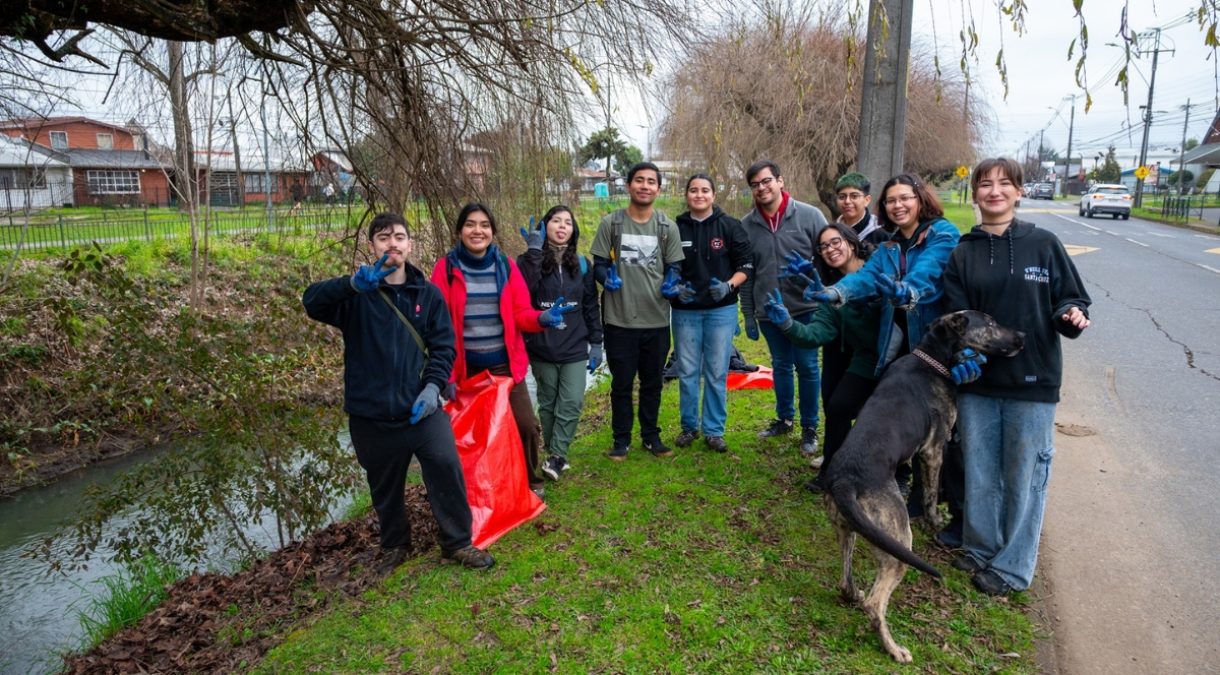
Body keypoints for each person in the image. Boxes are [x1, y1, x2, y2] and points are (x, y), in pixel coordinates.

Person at [302, 212, 494, 574]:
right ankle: (395, 545)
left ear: (410, 244)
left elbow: (443, 348)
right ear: (371, 245)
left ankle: (457, 542)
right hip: (371, 415)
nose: (393, 243)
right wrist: (352, 286)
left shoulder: (428, 294)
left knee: (445, 466)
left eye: (400, 237)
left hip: (420, 410)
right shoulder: (356, 296)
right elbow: (311, 302)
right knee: (384, 486)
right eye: (384, 237)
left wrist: (434, 386)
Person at [943, 157, 1091, 596]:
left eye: (1004, 184)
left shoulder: (1044, 244)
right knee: (981, 469)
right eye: (985, 184)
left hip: (1034, 382)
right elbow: (956, 318)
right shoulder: (963, 253)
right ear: (974, 194)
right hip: (979, 384)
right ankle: (981, 544)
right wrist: (962, 355)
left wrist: (1071, 316)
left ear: (1019, 192)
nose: (994, 191)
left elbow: (1071, 300)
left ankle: (1013, 567)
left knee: (1026, 474)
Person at [805, 173, 963, 537]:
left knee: (943, 429)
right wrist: (835, 293)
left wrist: (907, 291)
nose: (898, 206)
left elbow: (929, 273)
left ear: (920, 199)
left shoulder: (941, 234)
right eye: (891, 201)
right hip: (901, 348)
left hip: (937, 347)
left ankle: (938, 504)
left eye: (905, 198)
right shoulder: (889, 248)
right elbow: (865, 278)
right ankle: (909, 492)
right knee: (907, 420)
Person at [431, 203, 577, 500]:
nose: (477, 231)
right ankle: (478, 490)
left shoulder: (505, 266)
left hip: (505, 366)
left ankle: (531, 481)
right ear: (459, 230)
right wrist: (445, 373)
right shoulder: (445, 269)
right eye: (470, 224)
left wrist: (540, 319)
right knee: (473, 434)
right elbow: (438, 325)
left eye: (484, 225)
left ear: (492, 232)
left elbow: (521, 311)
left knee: (526, 424)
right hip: (465, 370)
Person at [773, 223, 881, 491]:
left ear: (851, 243)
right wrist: (787, 323)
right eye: (824, 247)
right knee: (838, 406)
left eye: (835, 242)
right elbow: (816, 333)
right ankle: (831, 472)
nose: (830, 249)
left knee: (884, 416)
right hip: (867, 357)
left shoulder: (878, 267)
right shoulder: (830, 290)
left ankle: (891, 477)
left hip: (898, 353)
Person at [590, 161, 685, 460]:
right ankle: (621, 439)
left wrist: (674, 280)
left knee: (653, 382)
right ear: (629, 185)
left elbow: (675, 266)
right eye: (639, 180)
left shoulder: (666, 226)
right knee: (621, 383)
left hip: (656, 318)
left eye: (651, 182)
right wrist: (606, 278)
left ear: (658, 188)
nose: (645, 186)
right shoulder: (612, 224)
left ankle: (651, 436)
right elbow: (599, 264)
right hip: (619, 319)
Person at [737, 159, 827, 457]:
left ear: (780, 181)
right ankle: (785, 419)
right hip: (769, 311)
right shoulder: (747, 226)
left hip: (805, 309)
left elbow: (830, 259)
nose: (761, 188)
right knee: (781, 366)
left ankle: (810, 427)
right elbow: (746, 273)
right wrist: (749, 314)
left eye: (766, 181)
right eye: (755, 185)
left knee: (808, 367)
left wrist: (821, 291)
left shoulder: (810, 216)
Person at [516, 205, 603, 481]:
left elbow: (590, 305)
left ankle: (557, 454)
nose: (562, 226)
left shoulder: (583, 263)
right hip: (542, 346)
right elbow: (521, 294)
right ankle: (556, 454)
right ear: (545, 227)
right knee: (549, 402)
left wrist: (597, 343)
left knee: (573, 400)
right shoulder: (528, 261)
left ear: (573, 230)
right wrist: (533, 253)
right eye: (556, 221)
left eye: (568, 222)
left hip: (575, 345)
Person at [668, 174, 753, 453]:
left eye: (705, 190)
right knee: (688, 370)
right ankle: (689, 427)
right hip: (685, 312)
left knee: (717, 371)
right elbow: (665, 265)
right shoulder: (675, 228)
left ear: (713, 195)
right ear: (687, 195)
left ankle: (714, 430)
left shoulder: (730, 226)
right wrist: (675, 287)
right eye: (693, 190)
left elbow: (746, 266)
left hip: (721, 310)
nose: (699, 195)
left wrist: (729, 285)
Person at [833, 172, 889, 246]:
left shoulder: (881, 234)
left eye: (854, 196)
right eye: (842, 197)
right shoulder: (832, 233)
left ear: (867, 200)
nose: (847, 201)